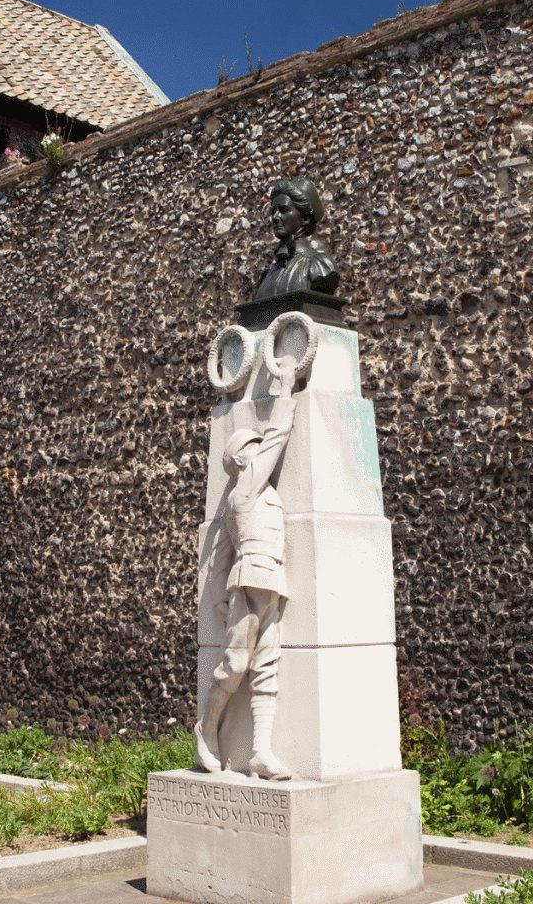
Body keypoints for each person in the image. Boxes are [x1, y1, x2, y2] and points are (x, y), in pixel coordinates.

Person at [195, 378, 300, 779]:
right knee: (236, 664)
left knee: (267, 665)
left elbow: (220, 549)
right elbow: (277, 437)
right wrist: (286, 391)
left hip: (270, 580)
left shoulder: (256, 496)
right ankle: (206, 729)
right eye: (253, 449)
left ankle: (260, 751)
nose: (261, 454)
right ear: (241, 459)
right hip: (253, 578)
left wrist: (219, 592)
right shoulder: (246, 487)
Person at [252, 178, 340, 301]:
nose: (275, 217)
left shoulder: (320, 266)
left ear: (304, 218)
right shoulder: (266, 276)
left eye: (284, 210)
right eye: (274, 211)